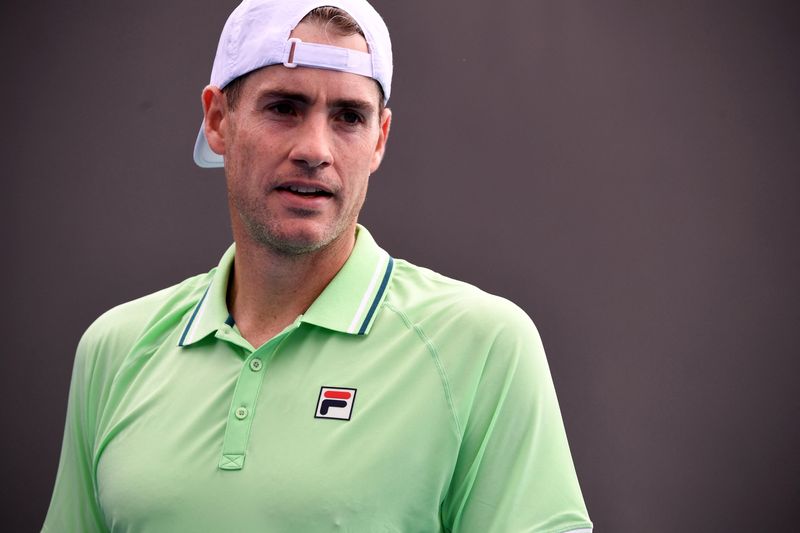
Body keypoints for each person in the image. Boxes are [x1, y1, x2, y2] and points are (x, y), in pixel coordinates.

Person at [43, 1, 593, 531]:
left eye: (349, 117)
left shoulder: (482, 344)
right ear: (218, 120)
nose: (315, 149)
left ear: (379, 140)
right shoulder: (114, 348)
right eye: (284, 107)